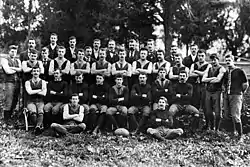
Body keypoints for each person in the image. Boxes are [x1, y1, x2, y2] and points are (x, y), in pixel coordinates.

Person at [223, 54, 249, 142]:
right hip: (228, 94)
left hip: (236, 94)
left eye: (229, 60)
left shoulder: (239, 71)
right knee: (227, 115)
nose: (228, 62)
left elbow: (245, 84)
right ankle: (233, 133)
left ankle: (240, 135)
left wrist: (240, 93)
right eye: (226, 61)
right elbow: (225, 83)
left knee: (235, 116)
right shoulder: (227, 72)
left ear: (233, 60)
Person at [202, 54, 226, 131]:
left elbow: (218, 80)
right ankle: (212, 127)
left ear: (218, 60)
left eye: (215, 60)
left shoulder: (221, 68)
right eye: (212, 60)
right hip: (208, 91)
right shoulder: (209, 68)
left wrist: (208, 79)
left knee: (218, 112)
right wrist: (212, 78)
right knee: (208, 111)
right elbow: (203, 79)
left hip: (217, 91)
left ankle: (217, 129)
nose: (213, 62)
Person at [0, 45, 22, 126]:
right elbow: (7, 71)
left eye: (15, 51)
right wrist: (16, 69)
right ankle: (6, 118)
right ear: (9, 52)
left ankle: (10, 116)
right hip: (9, 82)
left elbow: (21, 69)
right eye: (12, 51)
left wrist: (12, 68)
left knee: (15, 99)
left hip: (17, 82)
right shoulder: (4, 60)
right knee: (8, 100)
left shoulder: (18, 60)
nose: (14, 53)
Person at [25, 66, 47, 135]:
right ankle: (39, 127)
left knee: (40, 111)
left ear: (39, 73)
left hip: (40, 101)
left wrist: (33, 91)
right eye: (34, 71)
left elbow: (44, 93)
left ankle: (37, 127)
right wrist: (40, 90)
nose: (36, 73)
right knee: (33, 112)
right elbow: (29, 92)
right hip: (30, 101)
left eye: (37, 71)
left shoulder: (42, 82)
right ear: (31, 72)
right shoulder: (28, 82)